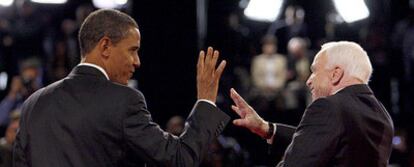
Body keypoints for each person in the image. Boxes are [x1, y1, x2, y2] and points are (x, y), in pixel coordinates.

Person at [13, 9, 230, 167]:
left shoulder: (33, 103)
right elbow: (179, 158)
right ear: (105, 46)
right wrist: (205, 102)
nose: (137, 61)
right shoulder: (124, 101)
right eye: (132, 50)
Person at [230, 41, 394, 166]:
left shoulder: (328, 107)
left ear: (335, 74)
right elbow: (329, 141)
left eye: (315, 71)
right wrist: (267, 129)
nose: (309, 80)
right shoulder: (382, 114)